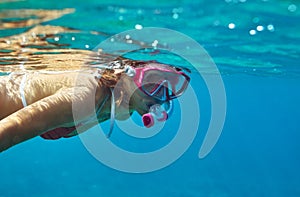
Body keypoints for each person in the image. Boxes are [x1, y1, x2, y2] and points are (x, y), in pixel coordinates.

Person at [0, 59, 190, 152]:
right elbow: (11, 129)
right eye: (152, 81)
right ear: (128, 74)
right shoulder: (88, 97)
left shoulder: (123, 110)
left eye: (169, 90)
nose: (160, 97)